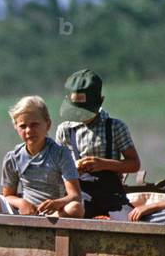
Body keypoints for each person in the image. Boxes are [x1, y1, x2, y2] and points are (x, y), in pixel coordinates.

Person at [0, 95, 83, 218]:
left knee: (75, 208)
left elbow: (75, 195)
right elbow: (8, 196)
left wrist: (56, 203)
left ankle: (42, 223)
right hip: (21, 212)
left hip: (52, 213)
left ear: (47, 124)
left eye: (34, 124)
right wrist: (22, 203)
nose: (28, 130)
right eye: (23, 126)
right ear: (16, 127)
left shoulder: (61, 154)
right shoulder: (13, 157)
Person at [55, 69, 141, 220]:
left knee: (128, 222)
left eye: (86, 110)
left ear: (100, 101)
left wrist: (104, 164)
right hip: (80, 194)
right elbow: (56, 168)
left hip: (112, 195)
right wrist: (73, 168)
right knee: (70, 214)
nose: (80, 115)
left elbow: (133, 164)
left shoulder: (115, 127)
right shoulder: (65, 130)